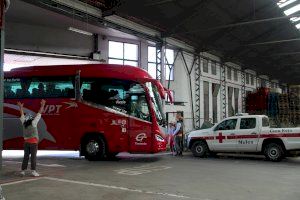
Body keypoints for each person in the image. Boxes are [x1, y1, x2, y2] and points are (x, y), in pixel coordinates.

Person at [17, 99, 46, 177]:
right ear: (31, 119)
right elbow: (39, 113)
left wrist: (20, 107)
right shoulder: (34, 123)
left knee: (25, 157)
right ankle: (33, 171)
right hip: (33, 143)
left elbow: (22, 114)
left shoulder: (24, 123)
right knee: (33, 157)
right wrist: (42, 105)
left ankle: (23, 171)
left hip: (26, 143)